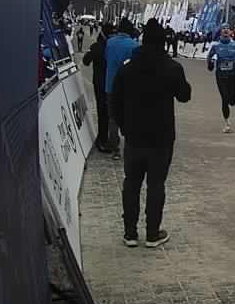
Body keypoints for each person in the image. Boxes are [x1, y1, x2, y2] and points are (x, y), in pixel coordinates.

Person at [111, 19, 191, 249]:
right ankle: (153, 234)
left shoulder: (127, 69)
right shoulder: (173, 68)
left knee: (131, 183)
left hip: (134, 136)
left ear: (143, 40)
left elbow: (115, 102)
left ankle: (130, 233)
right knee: (156, 185)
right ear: (163, 42)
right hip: (161, 137)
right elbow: (184, 96)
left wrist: (124, 127)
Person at [102, 19, 141, 158]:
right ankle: (130, 146)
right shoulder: (135, 45)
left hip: (110, 84)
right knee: (129, 115)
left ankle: (114, 147)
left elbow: (106, 58)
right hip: (128, 86)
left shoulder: (110, 42)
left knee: (113, 117)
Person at [81, 24, 114, 153]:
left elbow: (85, 61)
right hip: (111, 83)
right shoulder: (113, 46)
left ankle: (103, 139)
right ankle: (107, 139)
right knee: (109, 112)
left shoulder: (98, 46)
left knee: (103, 111)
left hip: (100, 84)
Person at [206, 27, 235, 133]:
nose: (226, 31)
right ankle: (227, 124)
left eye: (228, 29)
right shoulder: (216, 46)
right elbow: (209, 56)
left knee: (232, 101)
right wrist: (210, 64)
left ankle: (230, 102)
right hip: (220, 76)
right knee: (225, 98)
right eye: (224, 29)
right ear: (221, 33)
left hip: (231, 75)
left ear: (230, 32)